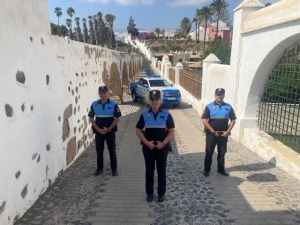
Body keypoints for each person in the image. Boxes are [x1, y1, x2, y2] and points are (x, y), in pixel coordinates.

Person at [136, 90, 175, 203]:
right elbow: (138, 131)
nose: (154, 102)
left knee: (161, 171)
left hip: (162, 148)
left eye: (156, 100)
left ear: (160, 100)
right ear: (149, 101)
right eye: (152, 100)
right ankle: (149, 193)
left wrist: (163, 143)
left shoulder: (166, 114)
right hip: (148, 148)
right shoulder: (144, 114)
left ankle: (161, 193)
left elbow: (171, 131)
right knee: (149, 171)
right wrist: (147, 143)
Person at [202, 88, 236, 177]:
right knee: (209, 152)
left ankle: (221, 170)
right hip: (212, 134)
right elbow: (204, 120)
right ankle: (207, 170)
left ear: (224, 96)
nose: (219, 96)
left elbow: (233, 120)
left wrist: (228, 132)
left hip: (223, 134)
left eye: (221, 95)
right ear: (215, 95)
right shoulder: (209, 106)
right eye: (217, 94)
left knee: (222, 153)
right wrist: (213, 131)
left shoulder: (228, 107)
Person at [88, 86, 122, 177]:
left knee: (112, 150)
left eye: (105, 92)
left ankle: (114, 169)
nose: (103, 95)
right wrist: (98, 129)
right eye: (101, 93)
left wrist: (109, 128)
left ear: (108, 93)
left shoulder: (113, 104)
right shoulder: (94, 104)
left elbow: (117, 118)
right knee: (99, 150)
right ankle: (99, 168)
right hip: (99, 131)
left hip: (110, 131)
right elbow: (91, 118)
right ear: (99, 94)